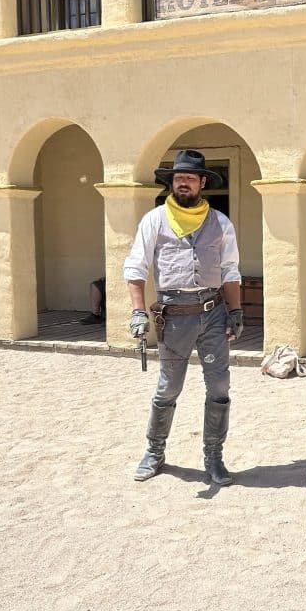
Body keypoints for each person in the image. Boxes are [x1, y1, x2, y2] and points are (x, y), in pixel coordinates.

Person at [125, 149, 244, 487]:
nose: (183, 183)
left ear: (202, 182)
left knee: (219, 386)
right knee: (168, 387)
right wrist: (138, 311)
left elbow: (230, 270)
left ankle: (214, 456)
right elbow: (136, 267)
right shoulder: (155, 220)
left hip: (213, 312)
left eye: (190, 178)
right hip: (174, 316)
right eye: (179, 178)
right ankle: (154, 452)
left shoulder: (220, 223)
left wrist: (235, 311)